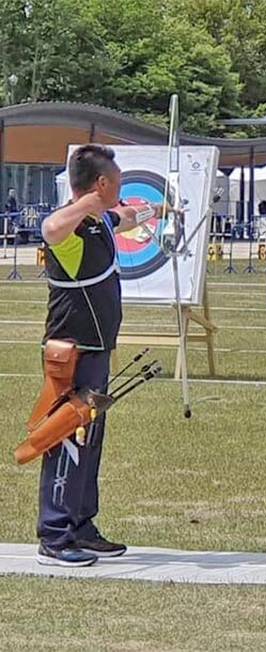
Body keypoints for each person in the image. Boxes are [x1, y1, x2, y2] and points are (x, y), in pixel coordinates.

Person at [36, 144, 163, 567]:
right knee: (68, 440)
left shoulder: (102, 220)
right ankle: (55, 536)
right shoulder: (70, 229)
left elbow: (125, 217)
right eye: (117, 183)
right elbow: (51, 228)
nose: (120, 191)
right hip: (71, 352)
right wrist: (87, 203)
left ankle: (82, 526)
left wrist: (157, 211)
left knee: (90, 441)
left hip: (95, 349)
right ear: (101, 184)